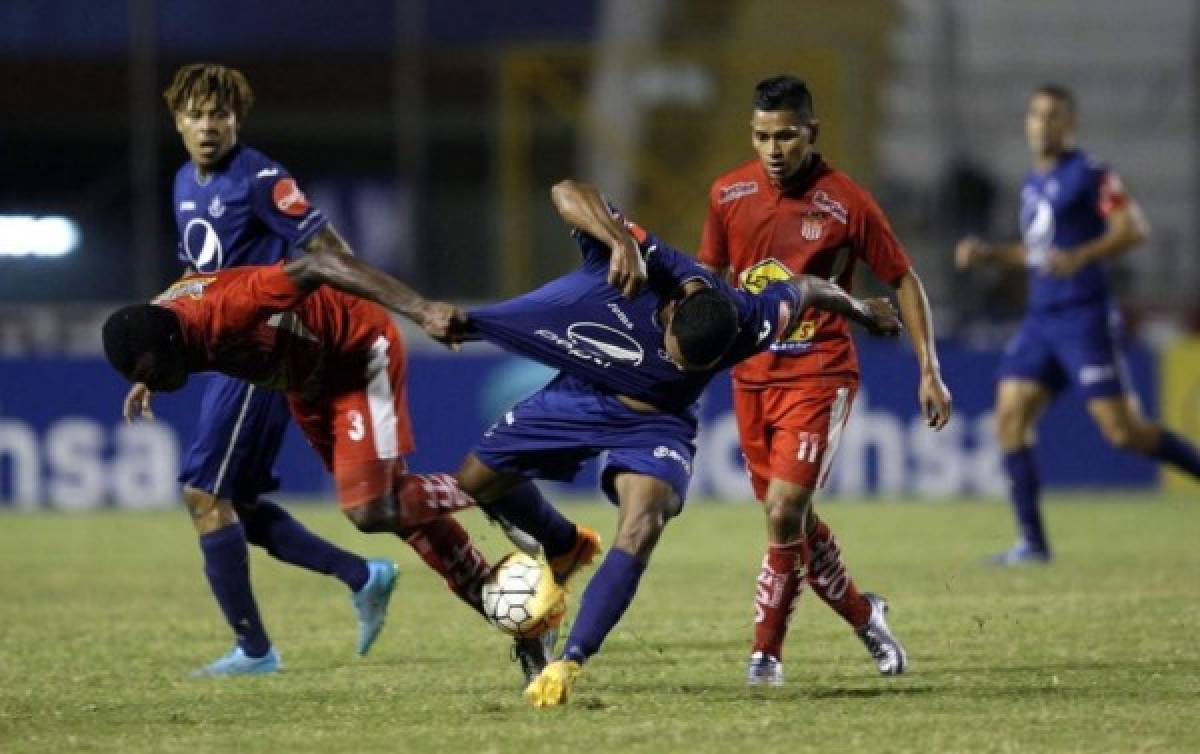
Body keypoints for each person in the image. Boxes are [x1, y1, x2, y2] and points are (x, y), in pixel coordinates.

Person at [439, 179, 903, 707]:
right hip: (592, 387)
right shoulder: (660, 266)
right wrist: (617, 240)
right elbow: (565, 190)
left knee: (641, 526)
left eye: (690, 366)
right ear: (671, 314)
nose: (675, 364)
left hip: (657, 424)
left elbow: (810, 288)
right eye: (675, 354)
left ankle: (571, 657)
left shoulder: (753, 321)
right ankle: (564, 544)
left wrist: (862, 310)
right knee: (475, 479)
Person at [105, 222, 558, 677]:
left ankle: (487, 486)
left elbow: (322, 263)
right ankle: (526, 627)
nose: (160, 382)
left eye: (159, 372)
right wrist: (148, 376)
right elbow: (154, 327)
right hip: (307, 385)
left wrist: (420, 310)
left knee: (369, 509)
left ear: (172, 345)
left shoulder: (230, 306)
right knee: (401, 514)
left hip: (355, 350)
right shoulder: (161, 329)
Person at [697, 75, 952, 685]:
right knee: (796, 526)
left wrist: (930, 370)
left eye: (786, 136)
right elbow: (707, 279)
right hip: (751, 377)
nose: (774, 149)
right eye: (762, 136)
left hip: (820, 373)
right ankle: (867, 617)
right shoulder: (728, 194)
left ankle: (766, 655)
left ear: (811, 133)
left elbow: (904, 280)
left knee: (784, 511)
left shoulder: (847, 203)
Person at [156, 62, 396, 676]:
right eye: (195, 114)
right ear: (177, 120)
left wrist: (343, 318)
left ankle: (255, 652)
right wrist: (150, 355)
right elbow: (194, 282)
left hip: (259, 352)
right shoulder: (184, 181)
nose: (208, 126)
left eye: (219, 114)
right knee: (240, 506)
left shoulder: (261, 178)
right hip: (222, 351)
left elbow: (327, 249)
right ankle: (362, 575)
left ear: (237, 120)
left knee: (205, 495)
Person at [955, 83, 1200, 564]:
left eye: (1054, 115)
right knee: (1009, 416)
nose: (1044, 123)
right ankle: (1032, 544)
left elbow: (1133, 228)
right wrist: (990, 254)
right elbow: (1040, 253)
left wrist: (1083, 256)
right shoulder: (1032, 184)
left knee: (1124, 432)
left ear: (1071, 124)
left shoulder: (1090, 174)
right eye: (1036, 115)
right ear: (1027, 123)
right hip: (1041, 321)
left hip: (1084, 318)